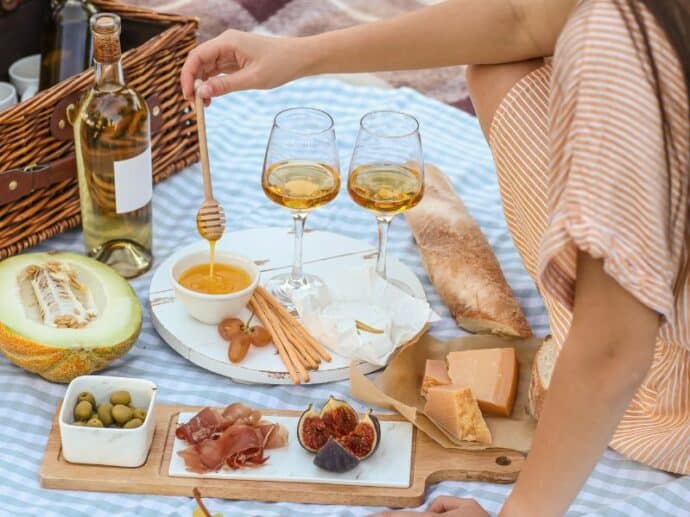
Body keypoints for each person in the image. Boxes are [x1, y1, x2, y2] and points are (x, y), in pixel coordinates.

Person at [180, 0, 690, 514]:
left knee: (613, 340)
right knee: (501, 68)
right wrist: (299, 55)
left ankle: (654, 394)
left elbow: (612, 353)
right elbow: (518, 19)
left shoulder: (618, 43)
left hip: (667, 397)